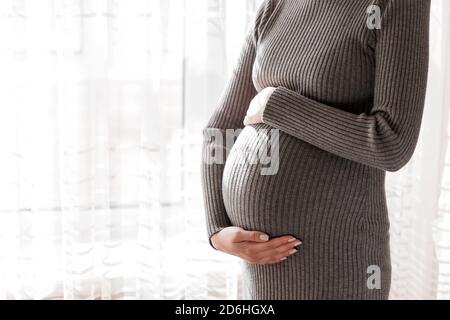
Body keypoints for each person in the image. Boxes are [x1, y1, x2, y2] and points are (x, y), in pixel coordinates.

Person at [201, 0, 430, 300]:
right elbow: (221, 127)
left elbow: (392, 143)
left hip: (338, 266)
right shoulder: (277, 5)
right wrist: (217, 230)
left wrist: (278, 106)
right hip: (262, 271)